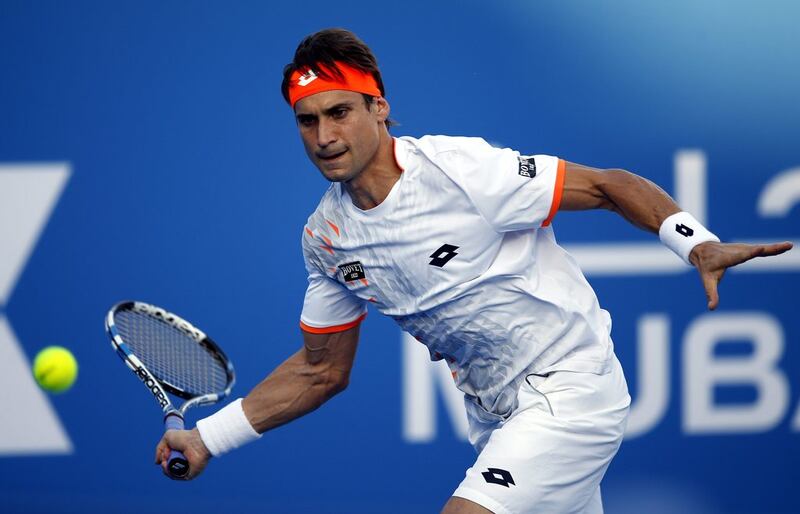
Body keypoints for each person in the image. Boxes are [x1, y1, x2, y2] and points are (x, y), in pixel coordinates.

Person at [156, 28, 792, 513]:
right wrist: (210, 438)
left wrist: (695, 243)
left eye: (339, 112)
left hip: (570, 390)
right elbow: (322, 372)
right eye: (307, 120)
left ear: (378, 108)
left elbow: (605, 186)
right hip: (496, 418)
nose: (323, 134)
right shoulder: (326, 239)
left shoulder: (460, 171)